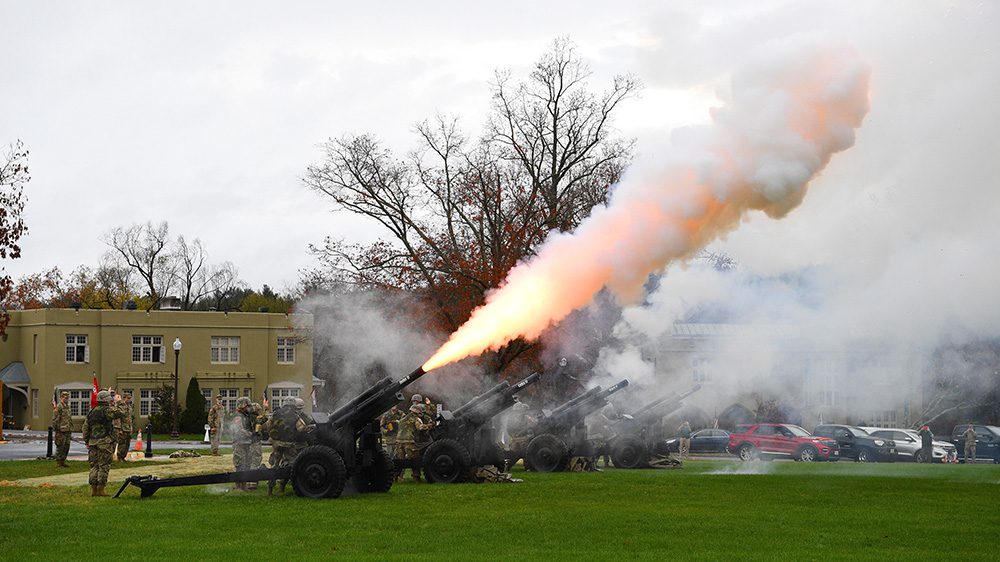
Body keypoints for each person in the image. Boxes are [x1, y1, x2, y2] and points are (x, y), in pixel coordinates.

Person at [268, 397, 315, 495]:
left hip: (276, 444)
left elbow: (268, 426)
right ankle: (286, 486)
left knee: (274, 466)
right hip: (289, 445)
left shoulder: (275, 413)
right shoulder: (295, 416)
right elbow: (301, 429)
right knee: (293, 466)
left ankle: (270, 490)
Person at [81, 390, 124, 497]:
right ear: (106, 399)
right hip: (105, 441)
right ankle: (101, 490)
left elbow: (85, 428)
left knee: (94, 466)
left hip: (93, 442)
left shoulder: (91, 412)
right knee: (104, 465)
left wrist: (87, 440)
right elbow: (121, 413)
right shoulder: (107, 410)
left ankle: (93, 490)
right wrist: (119, 402)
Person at [395, 403, 431, 482]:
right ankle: (416, 477)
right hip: (409, 441)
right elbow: (420, 427)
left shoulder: (403, 418)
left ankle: (395, 477)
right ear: (417, 412)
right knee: (415, 459)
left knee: (399, 461)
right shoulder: (415, 419)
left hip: (399, 441)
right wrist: (429, 425)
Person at [231, 397, 255, 490]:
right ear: (242, 406)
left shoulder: (245, 415)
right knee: (240, 465)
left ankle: (244, 486)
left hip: (246, 443)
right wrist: (249, 434)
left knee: (247, 465)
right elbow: (239, 430)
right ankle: (238, 487)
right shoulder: (238, 416)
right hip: (239, 443)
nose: (249, 408)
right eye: (247, 406)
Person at [52, 391, 73, 468]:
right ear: (61, 397)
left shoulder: (67, 407)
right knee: (60, 446)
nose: (66, 399)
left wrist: (70, 428)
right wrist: (57, 429)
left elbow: (69, 419)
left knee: (66, 447)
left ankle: (63, 461)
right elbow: (55, 419)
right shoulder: (59, 407)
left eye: (67, 397)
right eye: (65, 397)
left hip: (67, 430)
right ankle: (58, 462)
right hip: (61, 430)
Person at [115, 393, 133, 462]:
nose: (129, 400)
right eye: (128, 398)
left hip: (128, 427)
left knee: (127, 444)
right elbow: (118, 418)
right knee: (122, 443)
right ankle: (119, 457)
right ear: (124, 398)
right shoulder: (121, 407)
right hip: (123, 428)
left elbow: (129, 418)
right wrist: (119, 429)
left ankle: (123, 457)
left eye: (130, 398)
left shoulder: (129, 407)